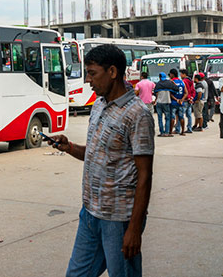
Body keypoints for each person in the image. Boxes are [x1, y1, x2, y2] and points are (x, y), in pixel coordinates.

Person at [46, 44, 154, 277]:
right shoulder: (98, 105)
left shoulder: (138, 114)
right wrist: (70, 147)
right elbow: (97, 155)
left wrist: (134, 228)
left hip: (119, 220)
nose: (88, 80)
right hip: (90, 214)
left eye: (93, 73)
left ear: (113, 72)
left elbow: (145, 174)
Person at [154, 72, 179, 137]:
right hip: (167, 102)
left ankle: (161, 132)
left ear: (160, 77)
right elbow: (177, 88)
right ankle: (167, 132)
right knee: (167, 118)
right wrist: (173, 83)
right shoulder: (169, 83)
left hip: (159, 103)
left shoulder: (158, 84)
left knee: (160, 118)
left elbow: (155, 93)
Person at [169, 69, 187, 136]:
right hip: (181, 103)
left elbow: (170, 93)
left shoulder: (172, 82)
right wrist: (181, 99)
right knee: (181, 117)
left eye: (170, 74)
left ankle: (170, 132)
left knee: (172, 117)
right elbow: (186, 93)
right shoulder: (182, 82)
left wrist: (176, 99)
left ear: (172, 74)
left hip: (173, 102)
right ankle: (182, 131)